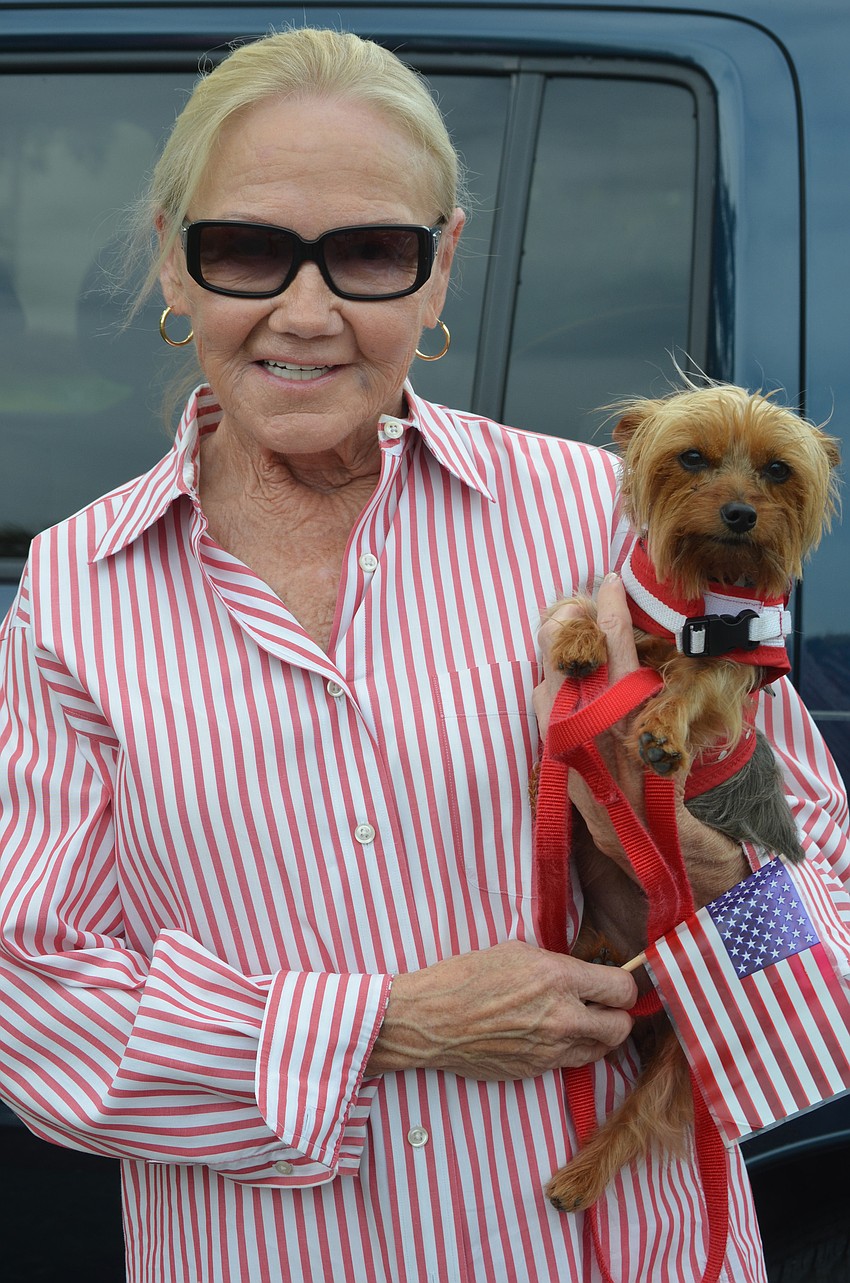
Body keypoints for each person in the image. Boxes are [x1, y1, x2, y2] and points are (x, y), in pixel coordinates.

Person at [0, 26, 846, 1283]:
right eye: (242, 250)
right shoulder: (76, 589)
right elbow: (38, 1010)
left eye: (370, 253)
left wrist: (721, 854)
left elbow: (816, 902)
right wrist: (387, 1026)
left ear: (440, 266)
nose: (304, 311)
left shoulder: (608, 517)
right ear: (174, 268)